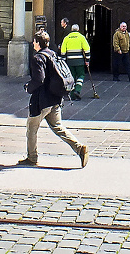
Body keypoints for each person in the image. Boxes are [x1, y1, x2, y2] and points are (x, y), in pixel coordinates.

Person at [18, 30, 88, 168]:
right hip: (56, 98)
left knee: (31, 128)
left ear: (38, 43)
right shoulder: (53, 54)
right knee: (58, 127)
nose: (33, 43)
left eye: (34, 41)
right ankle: (79, 148)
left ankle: (32, 157)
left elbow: (39, 80)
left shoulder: (38, 58)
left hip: (42, 100)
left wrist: (28, 87)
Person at [61, 22, 91, 100]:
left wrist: (64, 60)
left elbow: (63, 51)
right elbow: (87, 49)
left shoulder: (67, 38)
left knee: (72, 77)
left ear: (71, 30)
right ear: (78, 29)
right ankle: (77, 90)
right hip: (79, 61)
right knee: (81, 75)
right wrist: (87, 60)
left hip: (70, 61)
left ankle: (72, 94)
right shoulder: (81, 37)